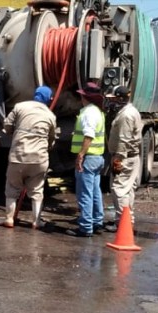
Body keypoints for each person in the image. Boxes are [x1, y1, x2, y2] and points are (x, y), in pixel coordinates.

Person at [1, 85, 57, 229]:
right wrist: (47, 146)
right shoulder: (50, 115)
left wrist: (13, 133)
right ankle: (36, 222)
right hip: (39, 158)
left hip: (18, 156)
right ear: (48, 99)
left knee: (12, 189)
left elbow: (7, 124)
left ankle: (9, 219)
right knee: (37, 191)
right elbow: (52, 138)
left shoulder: (20, 107)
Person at [67, 82, 106, 238]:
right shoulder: (97, 111)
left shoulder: (88, 113)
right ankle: (97, 222)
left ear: (84, 97)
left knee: (85, 193)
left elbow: (88, 135)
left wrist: (81, 154)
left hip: (88, 158)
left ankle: (85, 227)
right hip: (97, 157)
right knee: (95, 192)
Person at [105, 85, 142, 232]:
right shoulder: (130, 111)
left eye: (114, 98)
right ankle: (127, 221)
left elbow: (124, 139)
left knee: (119, 189)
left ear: (120, 98)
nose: (112, 102)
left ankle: (122, 223)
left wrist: (118, 158)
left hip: (125, 157)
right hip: (131, 157)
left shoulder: (126, 115)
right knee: (128, 190)